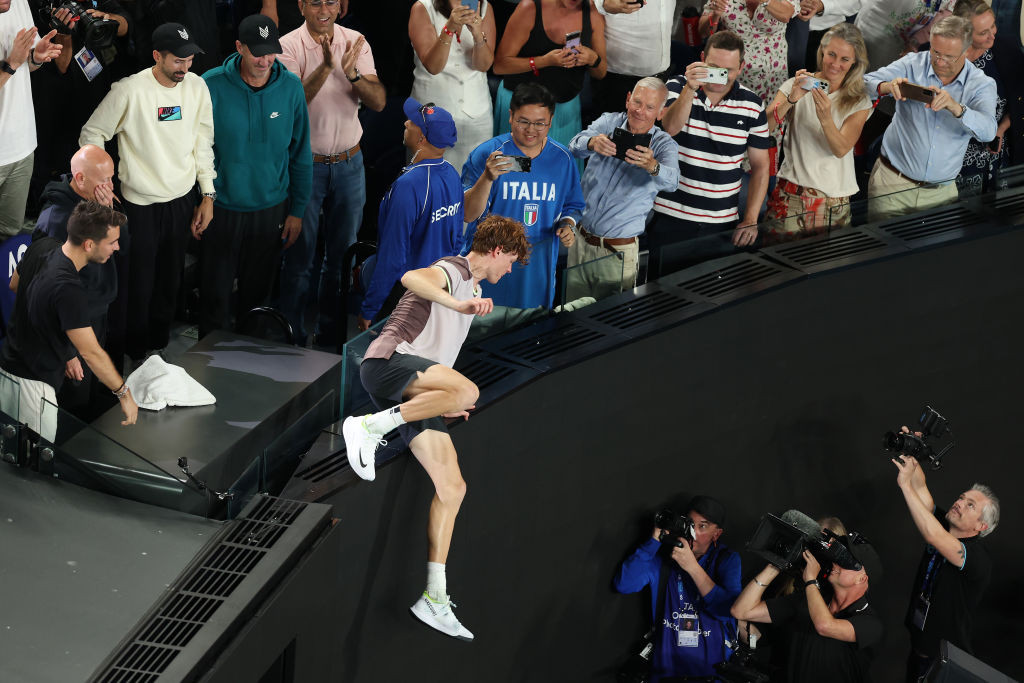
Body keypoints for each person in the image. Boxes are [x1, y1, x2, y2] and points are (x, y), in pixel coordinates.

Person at [342, 214, 531, 641]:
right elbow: (410, 278)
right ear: (497, 250)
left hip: (410, 385)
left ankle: (435, 595)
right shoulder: (454, 270)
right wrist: (457, 305)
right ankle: (369, 427)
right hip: (386, 363)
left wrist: (442, 401)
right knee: (468, 390)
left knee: (453, 487)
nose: (510, 270)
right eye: (511, 261)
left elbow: (439, 365)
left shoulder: (475, 290)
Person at [79, 22, 216, 369]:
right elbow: (92, 133)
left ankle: (157, 348)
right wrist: (101, 181)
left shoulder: (197, 87)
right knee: (137, 285)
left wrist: (208, 193)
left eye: (189, 59)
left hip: (181, 199)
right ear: (157, 56)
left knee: (170, 281)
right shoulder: (129, 90)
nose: (185, 67)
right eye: (178, 60)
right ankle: (133, 354)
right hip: (139, 205)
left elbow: (203, 142)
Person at [278, 0, 386, 346]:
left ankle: (330, 339)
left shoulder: (356, 42)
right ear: (301, 6)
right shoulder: (287, 45)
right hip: (305, 166)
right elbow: (293, 103)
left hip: (350, 163)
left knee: (341, 258)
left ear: (340, 6)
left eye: (330, 2)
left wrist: (352, 74)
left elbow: (378, 101)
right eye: (315, 2)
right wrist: (326, 67)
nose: (323, 9)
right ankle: (291, 339)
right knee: (299, 257)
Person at [199, 14, 312, 338]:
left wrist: (297, 210)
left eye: (270, 52)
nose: (265, 61)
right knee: (214, 296)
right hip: (222, 209)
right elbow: (195, 148)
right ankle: (208, 361)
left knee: (257, 300)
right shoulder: (210, 85)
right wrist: (203, 199)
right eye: (257, 53)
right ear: (239, 47)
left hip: (271, 209)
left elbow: (300, 153)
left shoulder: (291, 87)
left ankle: (249, 361)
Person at [0, 201, 137, 438]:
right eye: (112, 242)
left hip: (7, 368)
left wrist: (65, 352)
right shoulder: (69, 290)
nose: (117, 247)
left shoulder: (42, 246)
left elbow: (15, 285)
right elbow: (92, 353)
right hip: (33, 388)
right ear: (89, 244)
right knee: (36, 456)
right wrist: (124, 394)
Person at [649, 31, 771, 276]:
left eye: (728, 70)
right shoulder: (676, 86)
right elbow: (669, 128)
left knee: (714, 293)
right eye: (714, 68)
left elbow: (761, 166)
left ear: (741, 68)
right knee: (659, 291)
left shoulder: (753, 105)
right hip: (669, 217)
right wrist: (690, 89)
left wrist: (750, 219)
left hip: (721, 223)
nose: (720, 76)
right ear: (702, 59)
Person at [462, 83, 583, 311]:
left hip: (536, 268)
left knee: (532, 327)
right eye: (523, 121)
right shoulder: (487, 154)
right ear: (510, 116)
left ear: (551, 121)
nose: (530, 130)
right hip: (487, 267)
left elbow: (573, 204)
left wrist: (567, 224)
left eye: (540, 123)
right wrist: (487, 177)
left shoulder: (563, 159)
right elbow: (467, 213)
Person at [863, 16, 997, 221]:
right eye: (936, 52)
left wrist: (957, 108)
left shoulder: (982, 84)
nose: (939, 62)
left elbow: (988, 132)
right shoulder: (912, 64)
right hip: (891, 186)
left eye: (949, 56)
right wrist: (886, 87)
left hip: (942, 195)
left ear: (966, 52)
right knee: (880, 242)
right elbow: (862, 84)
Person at [566, 77, 678, 297]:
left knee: (610, 316)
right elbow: (573, 146)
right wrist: (592, 142)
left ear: (660, 113)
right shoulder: (608, 121)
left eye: (649, 107)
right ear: (628, 99)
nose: (640, 111)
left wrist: (653, 166)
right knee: (570, 312)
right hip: (579, 241)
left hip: (616, 252)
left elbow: (672, 182)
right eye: (637, 102)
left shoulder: (664, 145)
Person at [891, 451, 998, 680]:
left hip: (944, 665)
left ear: (980, 526)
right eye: (961, 498)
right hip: (918, 652)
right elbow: (921, 487)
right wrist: (912, 451)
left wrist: (905, 486)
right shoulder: (942, 524)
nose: (959, 503)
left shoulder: (977, 558)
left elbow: (933, 535)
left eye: (970, 505)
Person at [357, 99, 463, 330]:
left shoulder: (409, 185)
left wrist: (370, 308)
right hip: (437, 291)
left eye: (413, 122)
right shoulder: (452, 175)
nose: (406, 123)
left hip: (405, 297)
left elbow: (392, 256)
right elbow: (456, 242)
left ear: (422, 138)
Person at [762, 22, 872, 241]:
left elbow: (841, 149)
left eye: (845, 59)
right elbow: (764, 128)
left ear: (855, 62)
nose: (835, 64)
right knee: (775, 259)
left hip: (834, 202)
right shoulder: (795, 84)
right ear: (822, 50)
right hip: (791, 194)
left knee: (829, 263)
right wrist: (791, 99)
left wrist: (825, 118)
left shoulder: (859, 100)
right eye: (831, 54)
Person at [613, 496, 742, 681]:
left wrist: (692, 567)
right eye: (690, 524)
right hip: (666, 672)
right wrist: (654, 541)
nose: (693, 532)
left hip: (710, 673)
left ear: (716, 534)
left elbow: (728, 610)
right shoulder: (665, 557)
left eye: (702, 526)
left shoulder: (726, 560)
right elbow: (624, 584)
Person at [34, 145, 119, 420]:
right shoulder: (56, 220)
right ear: (80, 179)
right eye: (104, 180)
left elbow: (119, 249)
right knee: (73, 404)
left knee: (91, 394)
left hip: (96, 313)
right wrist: (68, 351)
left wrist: (107, 217)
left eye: (112, 178)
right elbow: (45, 292)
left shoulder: (97, 205)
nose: (110, 187)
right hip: (71, 328)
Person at [731, 534, 884, 682]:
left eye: (845, 560)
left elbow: (825, 626)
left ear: (861, 579)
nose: (836, 563)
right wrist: (777, 564)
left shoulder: (870, 623)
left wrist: (811, 581)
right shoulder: (807, 600)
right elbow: (742, 611)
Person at [493, 0, 607, 150]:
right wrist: (544, 61)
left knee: (558, 162)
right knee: (516, 163)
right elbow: (500, 66)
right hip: (522, 106)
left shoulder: (593, 13)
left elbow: (600, 73)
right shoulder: (530, 7)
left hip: (565, 110)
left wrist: (592, 59)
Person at [408, 0, 496, 173]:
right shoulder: (423, 7)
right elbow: (433, 66)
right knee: (429, 180)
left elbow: (483, 65)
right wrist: (449, 29)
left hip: (478, 115)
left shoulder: (484, 6)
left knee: (474, 179)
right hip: (432, 115)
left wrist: (478, 35)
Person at [0, 0, 61, 238]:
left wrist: (35, 57)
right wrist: (11, 64)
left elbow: (26, 64)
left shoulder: (18, 3)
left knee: (10, 233)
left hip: (22, 146)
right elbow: (15, 63)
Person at [953, 0, 1011, 193]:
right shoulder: (943, 55)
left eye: (993, 26)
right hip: (949, 158)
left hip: (993, 153)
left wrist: (1001, 129)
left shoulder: (1005, 52)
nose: (992, 35)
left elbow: (1020, 102)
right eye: (983, 32)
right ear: (963, 32)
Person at [588, 0, 678, 119]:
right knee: (611, 130)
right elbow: (596, 4)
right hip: (618, 83)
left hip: (662, 79)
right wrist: (604, 4)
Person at [700, 0, 798, 105]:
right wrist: (715, 16)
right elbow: (703, 32)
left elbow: (787, 14)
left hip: (771, 74)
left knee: (771, 111)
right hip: (732, 71)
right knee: (729, 110)